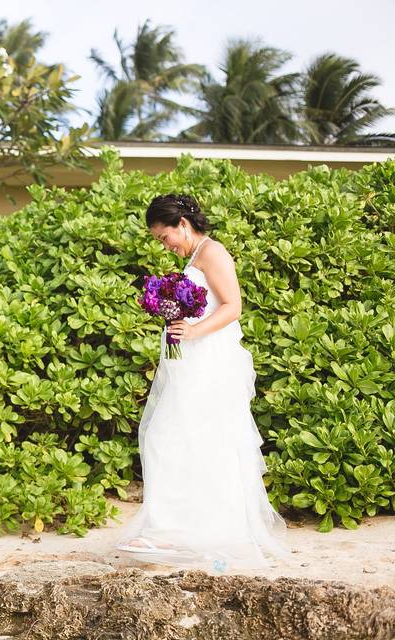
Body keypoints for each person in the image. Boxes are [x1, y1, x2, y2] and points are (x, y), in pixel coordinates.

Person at [116, 193, 288, 571]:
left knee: (186, 438)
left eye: (165, 237)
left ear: (182, 224)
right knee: (174, 438)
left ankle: (182, 529)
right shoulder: (194, 258)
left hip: (209, 362)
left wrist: (193, 331)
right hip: (188, 363)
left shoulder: (213, 253)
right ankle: (170, 527)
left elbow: (233, 306)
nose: (165, 245)